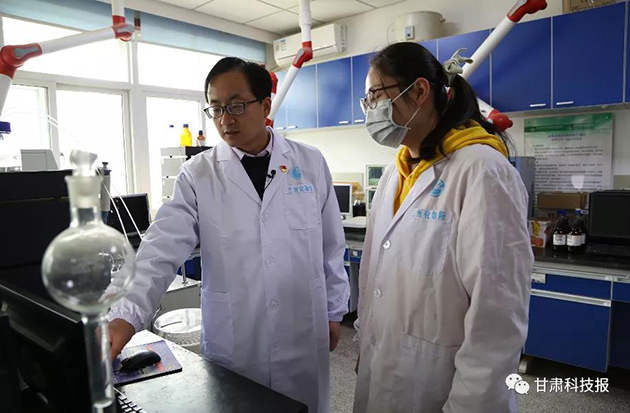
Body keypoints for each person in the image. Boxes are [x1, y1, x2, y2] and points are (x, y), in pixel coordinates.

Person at [108, 57, 350, 413]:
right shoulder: (197, 174)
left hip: (302, 327)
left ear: (265, 105)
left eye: (236, 106)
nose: (225, 119)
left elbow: (331, 244)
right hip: (238, 339)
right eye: (216, 108)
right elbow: (160, 249)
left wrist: (334, 310)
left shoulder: (310, 162)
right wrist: (125, 315)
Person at [353, 42, 533, 412]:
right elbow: (373, 275)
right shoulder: (393, 174)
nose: (371, 109)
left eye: (376, 95)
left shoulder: (482, 170)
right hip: (383, 366)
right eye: (367, 100)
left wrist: (471, 404)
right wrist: (365, 345)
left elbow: (497, 315)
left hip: (444, 386)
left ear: (419, 91)